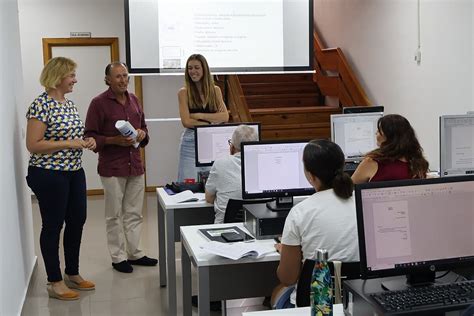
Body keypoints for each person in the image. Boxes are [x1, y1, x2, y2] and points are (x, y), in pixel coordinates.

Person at [25, 57, 96, 300]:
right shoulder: (40, 105)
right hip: (48, 174)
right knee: (53, 226)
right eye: (71, 75)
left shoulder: (69, 104)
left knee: (77, 220)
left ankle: (72, 273)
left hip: (74, 171)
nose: (75, 80)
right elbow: (33, 145)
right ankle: (54, 281)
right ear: (58, 77)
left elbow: (76, 133)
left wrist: (88, 140)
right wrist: (68, 143)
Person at [85, 62, 157, 273]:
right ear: (107, 79)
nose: (123, 80)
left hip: (135, 165)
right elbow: (90, 136)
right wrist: (114, 140)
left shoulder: (134, 99)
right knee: (114, 215)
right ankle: (118, 257)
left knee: (134, 213)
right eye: (118, 76)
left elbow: (143, 126)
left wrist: (142, 133)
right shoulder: (98, 103)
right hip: (112, 167)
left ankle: (135, 253)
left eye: (125, 76)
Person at [272, 139, 359, 309]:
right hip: (359, 303)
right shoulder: (364, 204)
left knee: (276, 295)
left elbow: (288, 278)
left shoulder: (300, 212)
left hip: (315, 308)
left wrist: (288, 252)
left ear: (310, 176)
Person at [177, 54, 229, 182]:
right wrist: (213, 120)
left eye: (196, 68)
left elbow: (225, 117)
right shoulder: (183, 92)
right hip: (191, 143)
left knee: (213, 184)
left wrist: (200, 116)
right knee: (188, 184)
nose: (193, 71)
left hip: (212, 141)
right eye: (190, 68)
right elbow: (187, 122)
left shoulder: (215, 91)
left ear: (204, 69)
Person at [351, 114, 429, 184]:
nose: (376, 133)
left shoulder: (372, 162)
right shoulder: (419, 163)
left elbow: (348, 190)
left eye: (379, 131)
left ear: (389, 136)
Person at [205, 124, 258, 223]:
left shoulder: (220, 164)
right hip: (256, 230)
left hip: (224, 230)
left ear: (232, 147)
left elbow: (209, 198)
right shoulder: (265, 166)